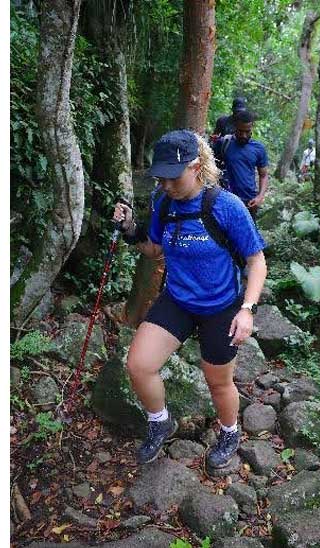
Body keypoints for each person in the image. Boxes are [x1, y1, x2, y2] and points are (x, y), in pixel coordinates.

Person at [112, 129, 267, 471]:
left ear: (196, 167)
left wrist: (247, 310)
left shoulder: (226, 206)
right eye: (160, 178)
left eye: (172, 177)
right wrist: (129, 230)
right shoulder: (163, 203)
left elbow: (256, 261)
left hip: (221, 306)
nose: (165, 185)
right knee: (138, 365)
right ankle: (160, 422)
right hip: (178, 300)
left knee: (218, 382)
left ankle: (230, 432)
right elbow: (154, 250)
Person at [216, 110, 270, 218]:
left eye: (247, 131)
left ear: (252, 128)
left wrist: (260, 197)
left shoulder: (258, 148)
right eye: (240, 131)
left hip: (249, 202)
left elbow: (263, 175)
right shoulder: (224, 144)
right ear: (235, 127)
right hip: (226, 200)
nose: (244, 135)